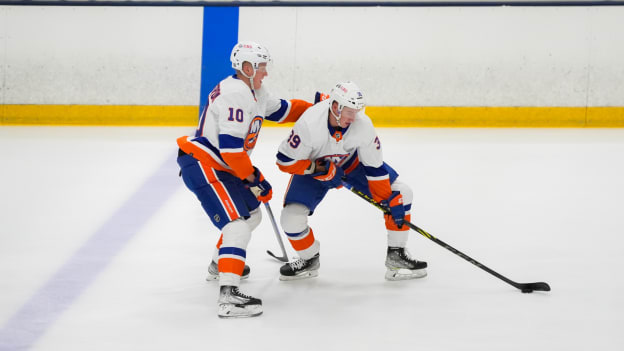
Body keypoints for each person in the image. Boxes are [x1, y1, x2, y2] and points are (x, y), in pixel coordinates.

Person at [176, 41, 312, 318]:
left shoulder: (254, 90)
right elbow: (230, 150)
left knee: (252, 215)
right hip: (205, 164)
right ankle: (228, 297)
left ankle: (220, 265)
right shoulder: (234, 93)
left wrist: (321, 109)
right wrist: (253, 178)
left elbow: (285, 110)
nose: (265, 72)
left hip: (221, 165)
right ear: (247, 68)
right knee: (237, 225)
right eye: (261, 67)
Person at [275, 81, 427, 281]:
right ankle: (309, 258)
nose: (354, 117)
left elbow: (374, 166)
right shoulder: (310, 123)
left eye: (357, 110)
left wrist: (387, 200)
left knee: (402, 193)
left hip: (352, 165)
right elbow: (285, 161)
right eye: (349, 111)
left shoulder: (362, 125)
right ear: (336, 106)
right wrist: (317, 169)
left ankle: (396, 256)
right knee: (290, 219)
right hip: (314, 171)